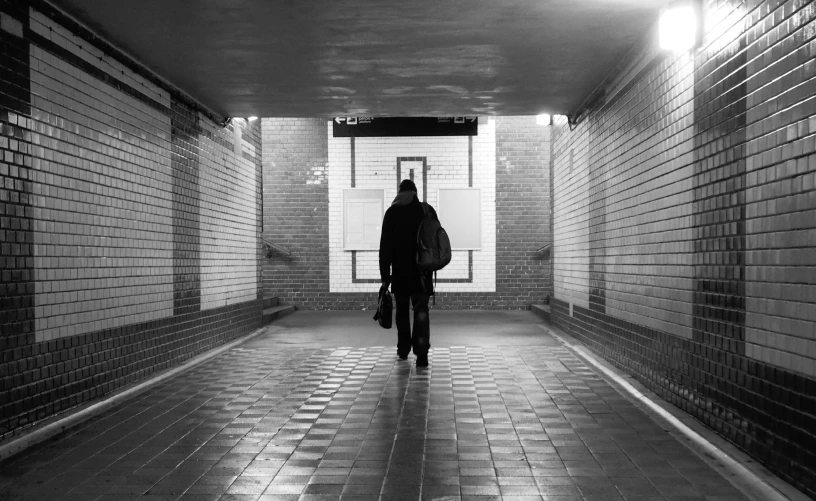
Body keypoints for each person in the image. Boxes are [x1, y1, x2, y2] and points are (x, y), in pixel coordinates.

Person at [379, 179, 435, 367]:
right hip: (422, 273)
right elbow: (434, 241)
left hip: (400, 274)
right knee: (421, 312)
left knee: (402, 312)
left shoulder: (392, 213)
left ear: (399, 192)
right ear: (415, 193)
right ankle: (421, 355)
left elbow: (385, 247)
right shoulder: (426, 210)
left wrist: (385, 276)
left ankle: (403, 349)